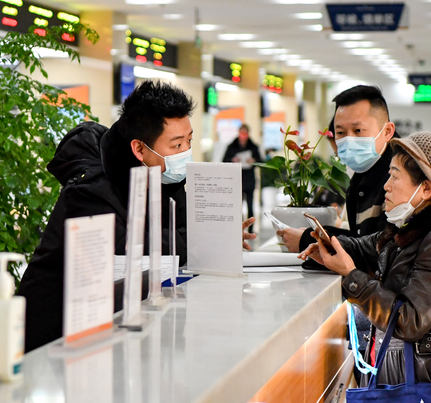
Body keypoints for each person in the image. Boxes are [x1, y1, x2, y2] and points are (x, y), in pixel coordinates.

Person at [18, 80, 256, 352]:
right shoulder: (91, 190)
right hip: (53, 337)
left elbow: (183, 234)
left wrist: (210, 236)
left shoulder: (167, 180)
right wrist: (210, 238)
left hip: (118, 327)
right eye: (176, 145)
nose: (186, 153)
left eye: (188, 141)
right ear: (139, 149)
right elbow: (137, 249)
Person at [300, 132, 431, 403]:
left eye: (394, 176)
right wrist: (324, 244)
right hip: (415, 374)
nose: (385, 187)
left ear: (426, 189)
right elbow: (365, 248)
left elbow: (410, 320)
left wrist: (351, 277)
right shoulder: (411, 229)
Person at [276, 85, 396, 256]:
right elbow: (360, 237)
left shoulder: (400, 177)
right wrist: (317, 235)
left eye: (358, 130)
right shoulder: (362, 174)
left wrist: (306, 240)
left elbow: (383, 248)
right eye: (340, 132)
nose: (348, 140)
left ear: (387, 131)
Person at [223, 124, 262, 224]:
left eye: (245, 133)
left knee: (250, 205)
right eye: (242, 133)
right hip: (236, 179)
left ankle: (251, 227)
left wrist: (253, 161)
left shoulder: (253, 146)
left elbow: (260, 161)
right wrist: (233, 160)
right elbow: (224, 160)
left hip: (249, 179)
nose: (243, 136)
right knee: (237, 205)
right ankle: (237, 225)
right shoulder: (232, 146)